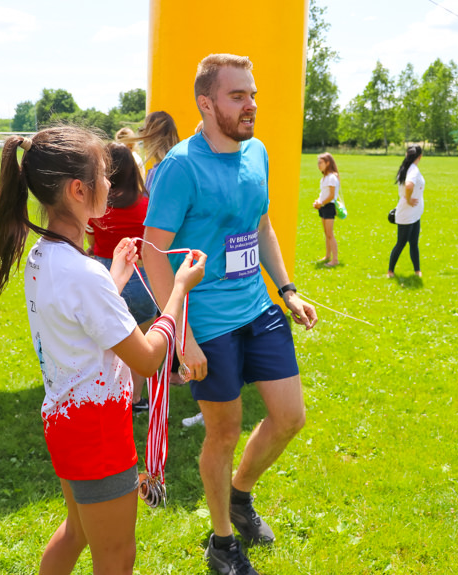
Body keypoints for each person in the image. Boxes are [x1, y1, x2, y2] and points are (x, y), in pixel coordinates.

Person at [0, 126, 206, 575]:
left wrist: (115, 277)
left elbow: (82, 319)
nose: (112, 186)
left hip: (66, 419)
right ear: (79, 189)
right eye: (105, 177)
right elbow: (148, 357)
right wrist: (177, 291)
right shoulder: (84, 273)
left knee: (77, 532)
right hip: (98, 430)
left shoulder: (45, 255)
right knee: (117, 555)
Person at [142, 53, 317, 575]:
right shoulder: (179, 167)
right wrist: (181, 335)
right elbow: (153, 253)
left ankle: (240, 496)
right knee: (224, 430)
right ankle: (221, 542)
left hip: (258, 308)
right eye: (238, 95)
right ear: (206, 102)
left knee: (289, 418)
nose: (251, 105)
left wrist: (287, 289)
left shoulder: (257, 152)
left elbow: (261, 227)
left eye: (253, 94)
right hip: (208, 322)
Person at [86, 142, 159, 413]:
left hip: (104, 275)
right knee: (141, 347)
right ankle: (135, 400)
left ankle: (102, 397)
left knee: (103, 345)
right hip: (139, 276)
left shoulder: (96, 206)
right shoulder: (146, 204)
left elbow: (90, 240)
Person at [387, 145, 424, 278]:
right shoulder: (412, 169)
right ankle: (390, 271)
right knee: (401, 243)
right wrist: (408, 199)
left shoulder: (406, 168)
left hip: (414, 213)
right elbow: (409, 185)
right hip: (407, 214)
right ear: (420, 156)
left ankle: (417, 270)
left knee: (414, 242)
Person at [126, 111, 180, 192]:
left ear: (152, 136)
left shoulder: (159, 173)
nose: (141, 133)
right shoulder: (178, 167)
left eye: (143, 129)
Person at [312, 152, 340, 267]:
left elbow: (331, 196)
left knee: (330, 234)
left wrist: (322, 203)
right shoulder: (324, 178)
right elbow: (323, 193)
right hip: (323, 206)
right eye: (318, 163)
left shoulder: (332, 177)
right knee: (326, 233)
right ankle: (327, 256)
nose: (319, 165)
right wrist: (317, 201)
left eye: (321, 163)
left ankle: (335, 259)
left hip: (328, 207)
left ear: (328, 163)